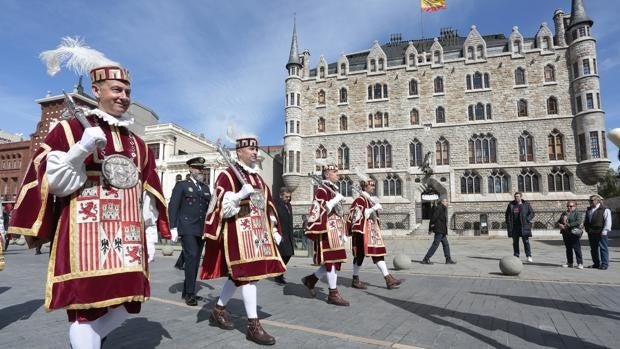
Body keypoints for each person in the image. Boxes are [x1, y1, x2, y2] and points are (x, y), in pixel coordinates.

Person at [8, 37, 172, 349]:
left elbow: (148, 191)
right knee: (83, 309)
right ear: (96, 91)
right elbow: (52, 181)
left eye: (126, 91)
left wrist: (150, 233)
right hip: (83, 233)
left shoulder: (137, 143)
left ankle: (88, 341)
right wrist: (81, 149)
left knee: (128, 302)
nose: (123, 97)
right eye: (116, 90)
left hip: (127, 235)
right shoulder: (69, 130)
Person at [200, 135, 285, 346]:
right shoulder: (227, 175)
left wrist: (274, 227)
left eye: (256, 149)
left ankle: (218, 310)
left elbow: (267, 205)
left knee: (241, 276)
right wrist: (238, 195)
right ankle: (253, 325)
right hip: (238, 233)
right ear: (239, 152)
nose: (256, 152)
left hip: (259, 234)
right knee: (249, 277)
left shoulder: (258, 178)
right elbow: (220, 206)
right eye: (251, 149)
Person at [301, 162, 349, 306]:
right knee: (331, 261)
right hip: (327, 230)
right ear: (327, 174)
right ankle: (333, 293)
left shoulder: (332, 189)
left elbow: (339, 213)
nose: (338, 175)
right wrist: (335, 200)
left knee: (334, 260)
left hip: (336, 230)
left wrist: (344, 230)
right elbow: (320, 210)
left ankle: (311, 280)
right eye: (335, 172)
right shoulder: (322, 190)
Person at [168, 157, 211, 306]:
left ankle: (188, 290)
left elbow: (209, 209)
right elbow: (173, 206)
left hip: (201, 229)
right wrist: (173, 227)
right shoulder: (182, 185)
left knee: (194, 260)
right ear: (190, 169)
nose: (200, 171)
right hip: (187, 227)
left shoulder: (205, 188)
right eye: (197, 168)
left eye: (201, 168)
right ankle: (190, 294)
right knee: (192, 256)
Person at [347, 178, 403, 289]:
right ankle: (355, 279)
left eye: (373, 185)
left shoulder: (369, 199)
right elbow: (360, 215)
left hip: (372, 231)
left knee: (378, 253)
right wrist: (374, 208)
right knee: (359, 256)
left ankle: (388, 278)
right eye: (371, 185)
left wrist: (374, 208)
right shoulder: (360, 200)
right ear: (365, 187)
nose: (373, 187)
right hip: (362, 232)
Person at [421, 198, 456, 265]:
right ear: (442, 202)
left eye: (447, 201)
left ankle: (448, 259)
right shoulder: (439, 208)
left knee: (446, 245)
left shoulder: (443, 208)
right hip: (439, 230)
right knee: (435, 244)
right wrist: (430, 229)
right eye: (446, 201)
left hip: (442, 231)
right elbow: (433, 218)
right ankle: (426, 259)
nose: (447, 203)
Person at [505, 192, 535, 262]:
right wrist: (508, 223)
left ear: (521, 197)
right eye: (515, 196)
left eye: (518, 196)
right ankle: (516, 255)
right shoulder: (511, 205)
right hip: (514, 227)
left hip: (524, 226)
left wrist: (527, 219)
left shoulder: (526, 204)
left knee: (526, 242)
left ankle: (528, 256)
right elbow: (507, 215)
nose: (516, 198)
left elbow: (532, 213)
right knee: (515, 242)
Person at [584, 195, 611, 270]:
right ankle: (596, 263)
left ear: (597, 201)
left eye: (592, 200)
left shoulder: (605, 209)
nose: (590, 202)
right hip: (591, 232)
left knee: (603, 248)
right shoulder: (589, 210)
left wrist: (605, 230)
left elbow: (608, 221)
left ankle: (604, 264)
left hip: (601, 232)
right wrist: (587, 229)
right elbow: (587, 220)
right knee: (593, 249)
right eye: (589, 201)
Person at [274, 187, 295, 284]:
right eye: (286, 197)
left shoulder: (289, 205)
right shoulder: (276, 205)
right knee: (284, 254)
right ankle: (279, 275)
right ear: (281, 196)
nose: (288, 198)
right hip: (281, 234)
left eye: (289, 197)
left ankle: (279, 273)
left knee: (289, 254)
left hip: (289, 234)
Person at [558, 200, 583, 269]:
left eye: (571, 206)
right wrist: (560, 225)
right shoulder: (564, 213)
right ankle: (570, 263)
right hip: (565, 233)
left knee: (576, 248)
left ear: (575, 206)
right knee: (568, 248)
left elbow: (578, 222)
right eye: (568, 206)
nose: (569, 207)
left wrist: (568, 225)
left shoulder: (577, 213)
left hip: (573, 233)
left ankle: (580, 263)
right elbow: (559, 221)